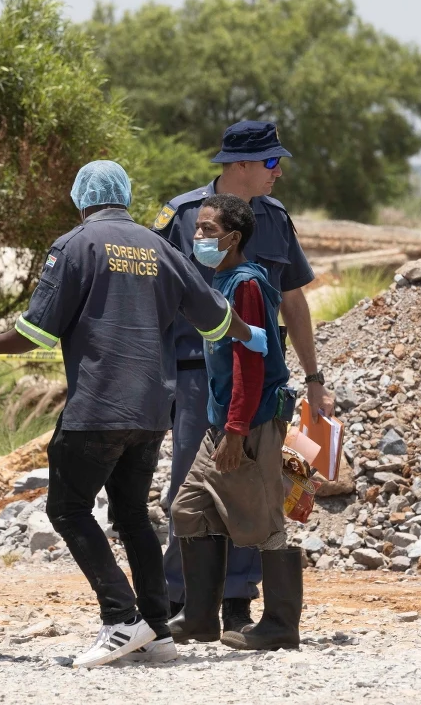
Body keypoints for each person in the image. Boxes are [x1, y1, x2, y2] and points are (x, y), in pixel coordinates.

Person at [0, 160, 269, 668]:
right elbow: (217, 318)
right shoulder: (161, 246)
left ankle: (121, 617)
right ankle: (158, 629)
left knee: (67, 509)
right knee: (134, 514)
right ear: (125, 194)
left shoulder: (74, 245)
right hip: (151, 411)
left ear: (81, 197)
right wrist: (252, 336)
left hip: (97, 406)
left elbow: (38, 333)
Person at [153, 120, 326, 629]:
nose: (279, 172)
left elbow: (292, 298)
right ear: (242, 166)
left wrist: (314, 377)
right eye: (273, 162)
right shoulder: (183, 216)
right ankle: (182, 597)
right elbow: (155, 297)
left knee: (253, 485)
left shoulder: (274, 219)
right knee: (192, 488)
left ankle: (239, 600)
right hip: (192, 374)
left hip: (254, 377)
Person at [168, 194, 302, 651]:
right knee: (188, 509)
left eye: (208, 229)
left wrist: (236, 429)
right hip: (221, 421)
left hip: (251, 421)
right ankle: (201, 618)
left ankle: (281, 624)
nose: (198, 235)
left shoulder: (244, 284)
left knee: (266, 522)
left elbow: (250, 362)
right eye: (199, 227)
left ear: (234, 237)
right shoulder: (219, 280)